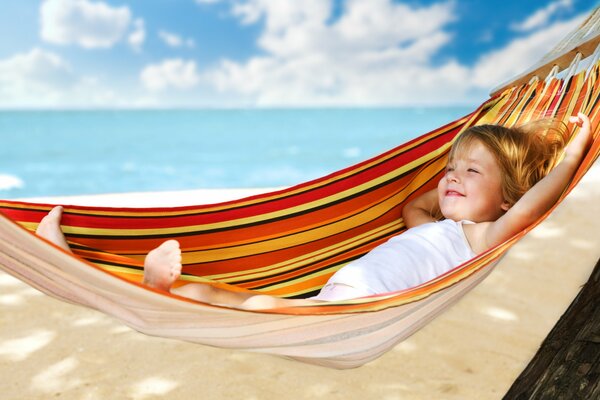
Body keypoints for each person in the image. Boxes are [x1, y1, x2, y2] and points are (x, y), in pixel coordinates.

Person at [35, 113, 593, 310]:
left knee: (245, 307)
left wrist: (571, 153)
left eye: (473, 173)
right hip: (335, 297)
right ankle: (106, 272)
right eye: (451, 168)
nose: (452, 177)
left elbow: (536, 202)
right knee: (240, 302)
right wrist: (452, 165)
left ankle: (159, 286)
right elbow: (409, 202)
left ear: (505, 200)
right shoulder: (434, 226)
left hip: (362, 310)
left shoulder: (481, 237)